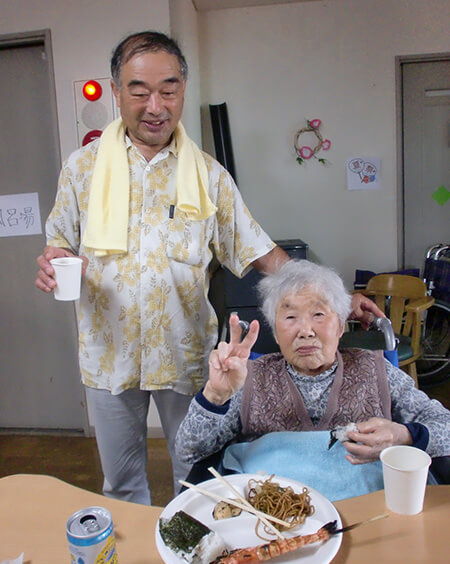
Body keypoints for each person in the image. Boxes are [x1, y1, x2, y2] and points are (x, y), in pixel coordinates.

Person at [35, 31, 381, 506]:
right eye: (139, 91)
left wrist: (336, 297)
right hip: (106, 354)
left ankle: (193, 559)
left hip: (186, 355)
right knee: (119, 486)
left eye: (169, 90)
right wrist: (53, 261)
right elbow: (59, 242)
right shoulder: (81, 170)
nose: (155, 105)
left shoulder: (209, 177)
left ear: (183, 91)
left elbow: (264, 253)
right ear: (116, 92)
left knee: (196, 476)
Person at [176, 260, 450, 500]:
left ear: (341, 325)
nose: (305, 331)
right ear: (275, 329)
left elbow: (445, 429)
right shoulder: (248, 376)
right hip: (271, 521)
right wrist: (214, 395)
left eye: (318, 314)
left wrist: (404, 435)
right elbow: (189, 452)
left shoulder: (376, 371)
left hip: (367, 518)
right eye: (291, 317)